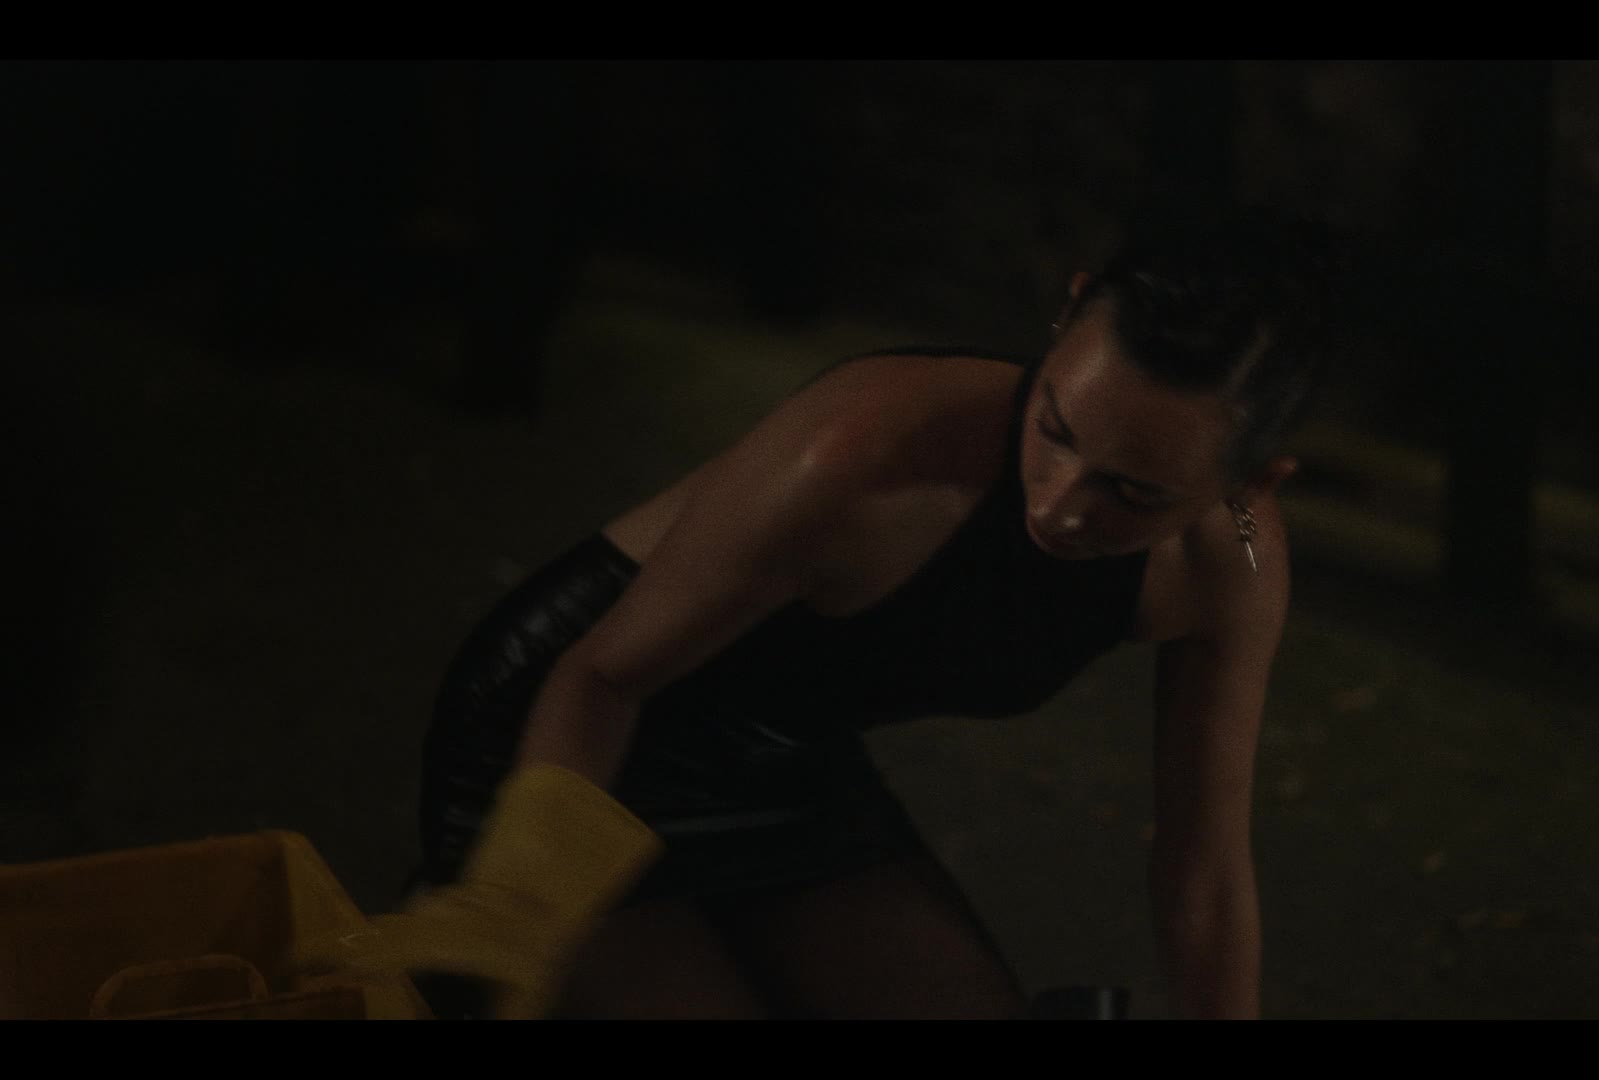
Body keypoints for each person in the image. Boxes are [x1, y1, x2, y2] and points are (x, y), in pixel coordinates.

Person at [324, 214, 1333, 1020]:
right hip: (577, 729)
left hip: (784, 767)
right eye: (1055, 427)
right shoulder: (864, 451)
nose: (1061, 505)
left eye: (1134, 492)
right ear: (1066, 315)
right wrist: (525, 899)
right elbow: (602, 675)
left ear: (1253, 483)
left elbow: (1203, 865)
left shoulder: (1237, 564)